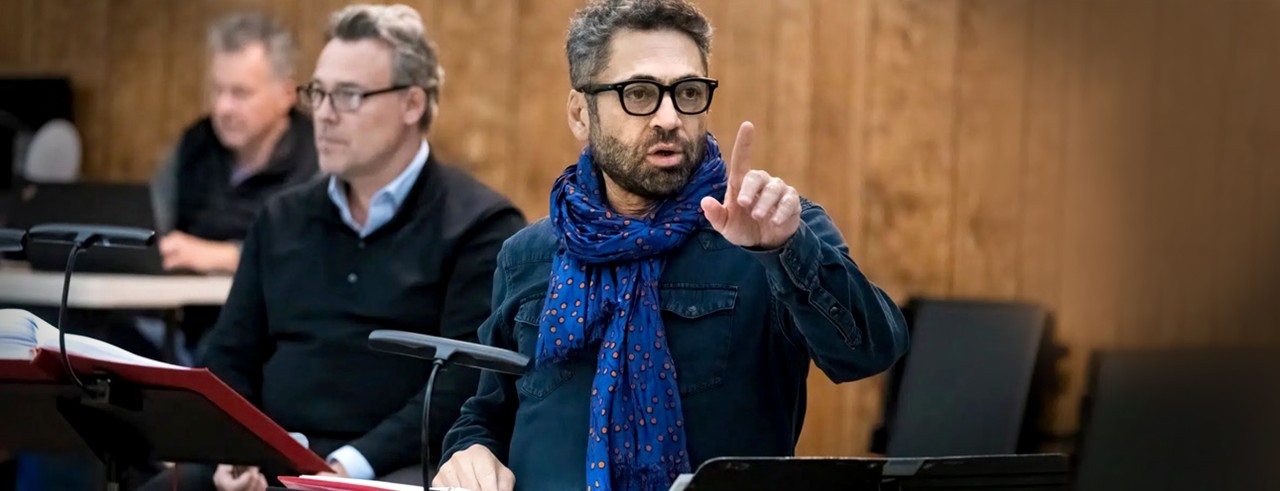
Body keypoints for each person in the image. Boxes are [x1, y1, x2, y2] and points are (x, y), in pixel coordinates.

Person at [433, 1, 910, 490]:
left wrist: (785, 250)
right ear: (581, 113)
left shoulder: (772, 229)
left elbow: (870, 353)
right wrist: (469, 452)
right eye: (639, 93)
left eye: (687, 92)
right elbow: (486, 413)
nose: (669, 117)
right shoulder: (526, 256)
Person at [140, 4, 525, 490]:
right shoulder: (280, 218)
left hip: (390, 467)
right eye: (318, 93)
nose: (322, 113)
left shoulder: (479, 225)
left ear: (412, 103)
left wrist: (344, 466)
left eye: (348, 95)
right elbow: (229, 357)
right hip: (265, 458)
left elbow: (457, 390)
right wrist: (237, 450)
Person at [153, 11, 317, 275]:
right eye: (217, 90)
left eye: (240, 93)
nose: (222, 107)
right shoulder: (194, 144)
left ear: (286, 95)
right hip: (186, 310)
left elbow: (320, 255)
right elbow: (152, 228)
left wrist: (228, 257)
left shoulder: (320, 158)